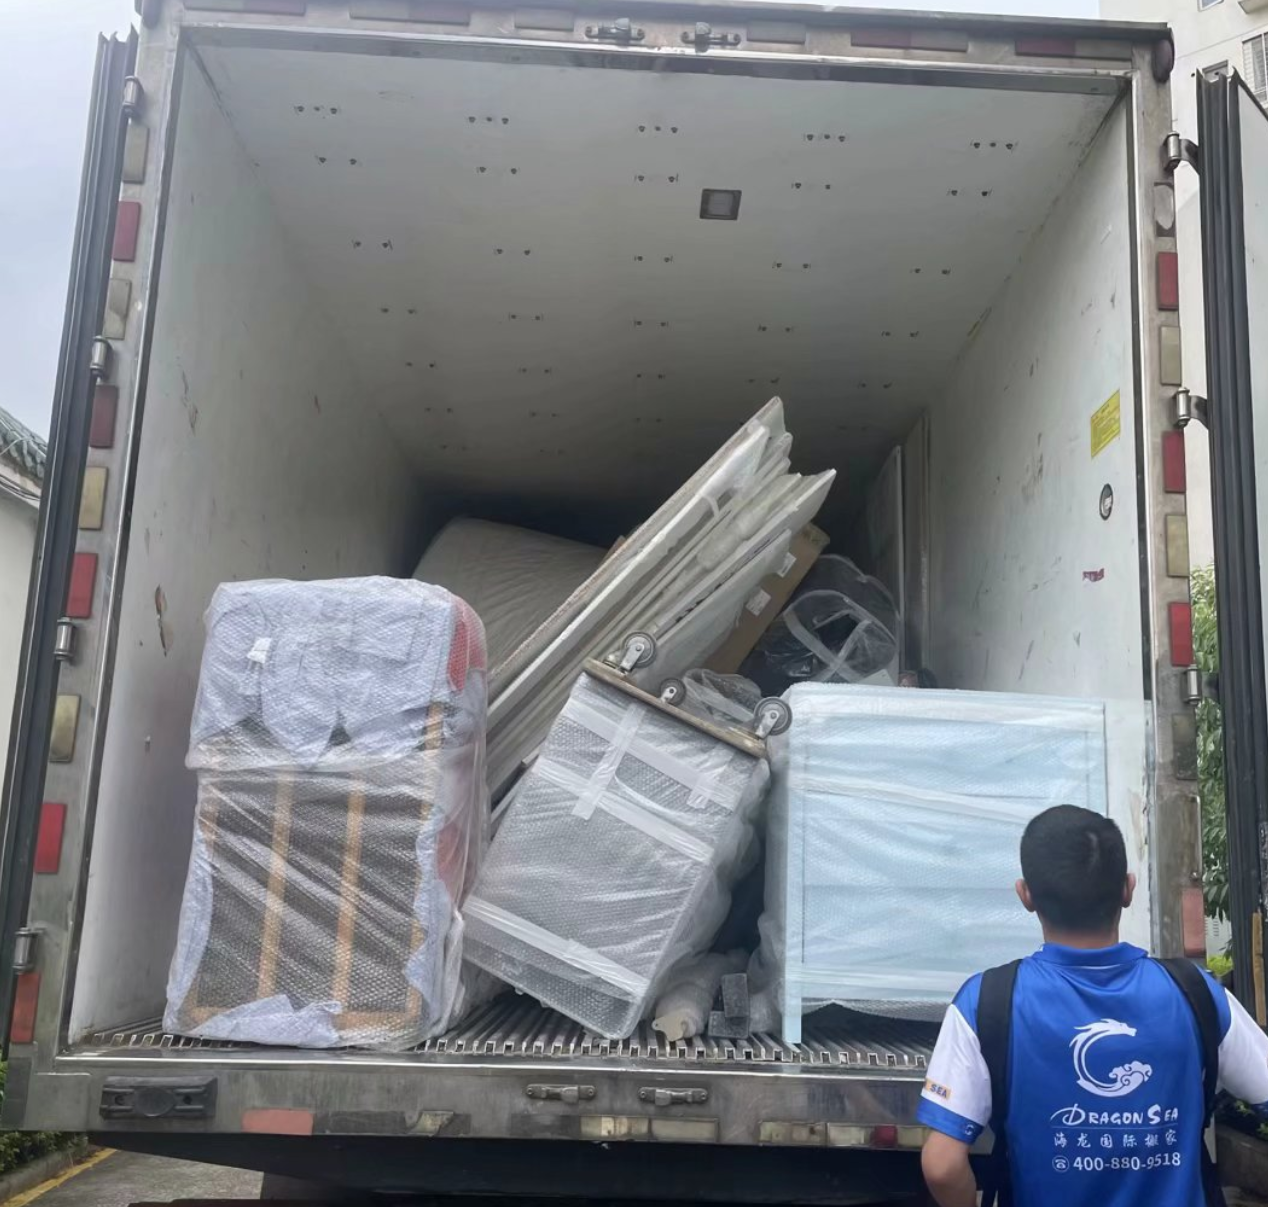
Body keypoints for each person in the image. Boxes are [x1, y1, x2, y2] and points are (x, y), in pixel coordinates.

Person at [917, 804, 1268, 1207]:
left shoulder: (988, 1000)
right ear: (1128, 889)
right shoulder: (1195, 993)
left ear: (1025, 895)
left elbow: (942, 1166)